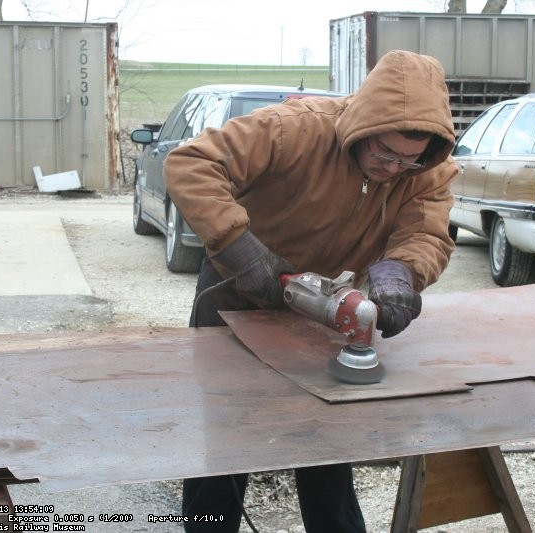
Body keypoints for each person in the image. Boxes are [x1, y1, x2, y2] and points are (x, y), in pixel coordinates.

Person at [164, 50, 458, 533]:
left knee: (327, 435)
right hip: (238, 290)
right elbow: (192, 164)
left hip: (323, 305)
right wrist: (239, 247)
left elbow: (425, 233)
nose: (393, 168)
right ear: (362, 128)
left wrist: (401, 273)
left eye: (409, 159)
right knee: (227, 435)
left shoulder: (427, 169)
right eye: (384, 153)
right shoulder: (291, 130)